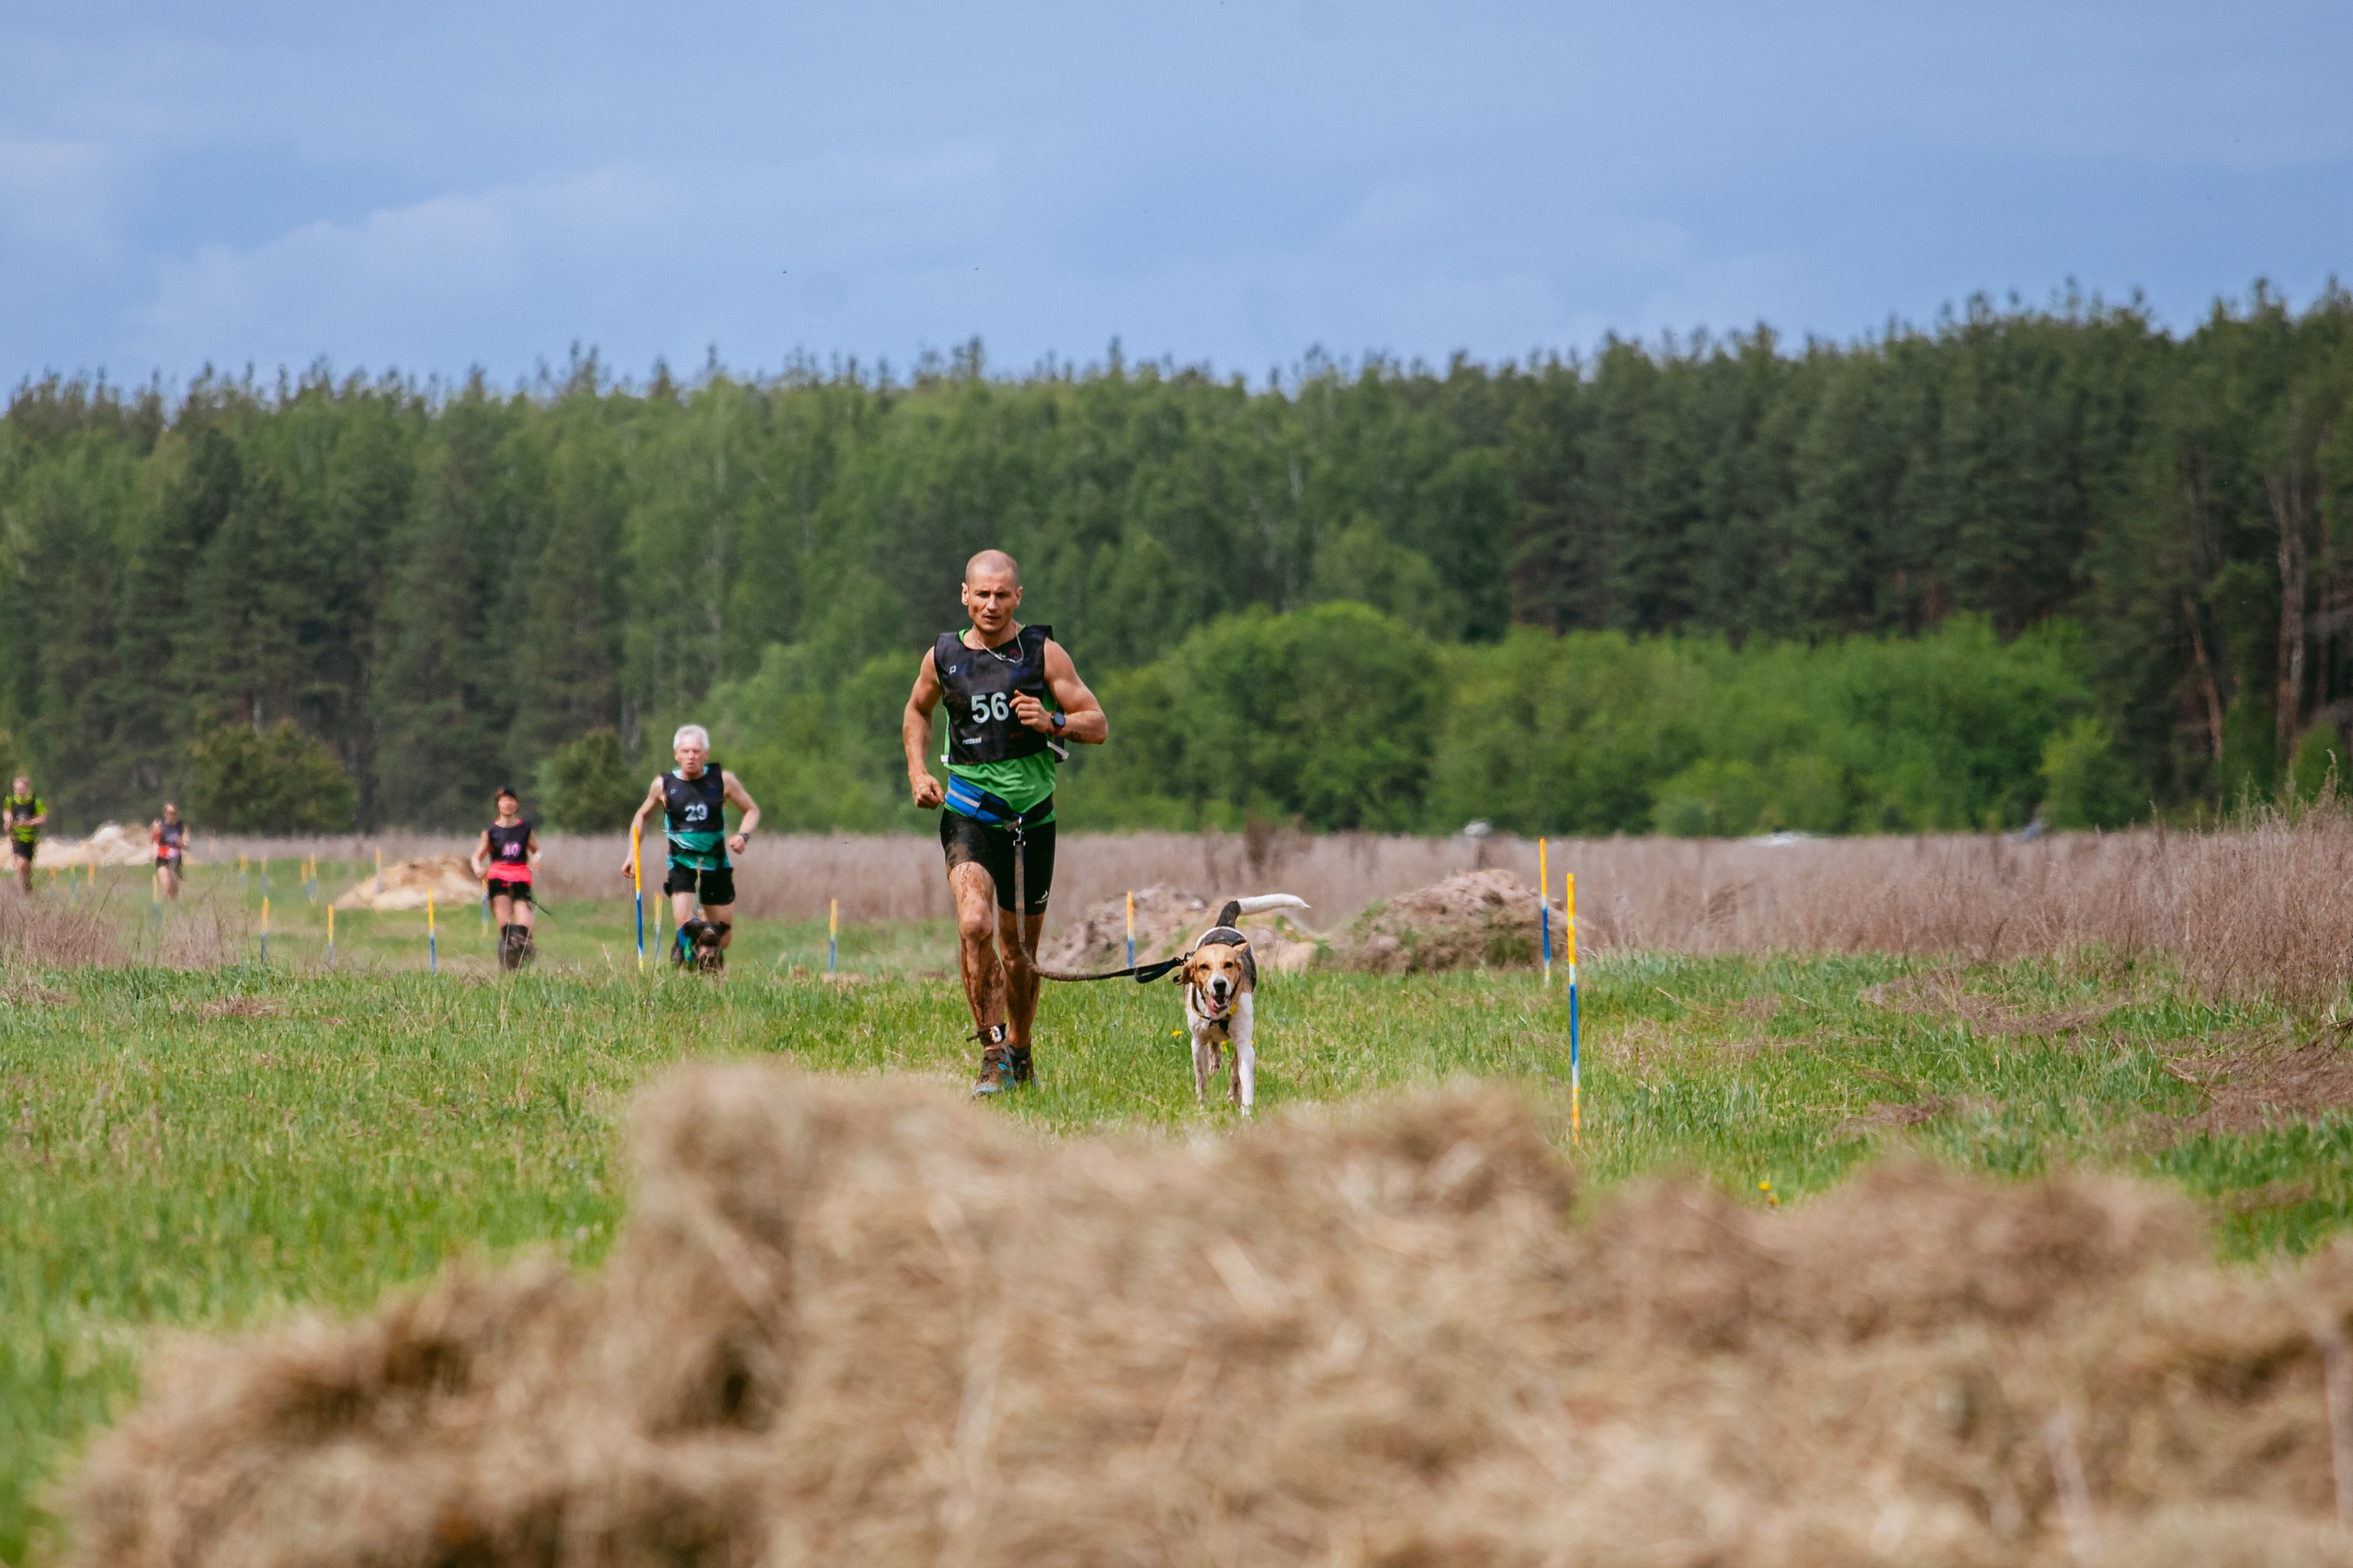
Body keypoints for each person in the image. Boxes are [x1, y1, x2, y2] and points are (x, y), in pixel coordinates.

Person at [902, 549, 1108, 1095]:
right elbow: (918, 710)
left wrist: (1053, 720)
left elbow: (1098, 723)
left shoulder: (1043, 655)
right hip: (969, 811)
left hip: (1031, 822)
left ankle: (1020, 1050)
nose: (991, 605)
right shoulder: (942, 656)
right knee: (974, 923)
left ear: (1018, 597)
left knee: (1018, 955)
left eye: (1002, 595)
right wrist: (917, 770)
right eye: (982, 594)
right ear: (964, 596)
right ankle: (992, 1050)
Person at [621, 725, 760, 972]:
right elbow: (641, 816)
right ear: (676, 754)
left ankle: (709, 951)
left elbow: (751, 810)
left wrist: (743, 835)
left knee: (723, 938)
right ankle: (689, 962)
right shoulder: (663, 784)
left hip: (715, 864)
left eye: (696, 751)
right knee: (686, 925)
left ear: (706, 754)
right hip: (681, 864)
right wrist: (632, 854)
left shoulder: (723, 780)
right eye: (685, 751)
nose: (691, 756)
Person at [470, 787, 540, 970]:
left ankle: (520, 961)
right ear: (498, 804)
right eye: (504, 800)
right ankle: (508, 964)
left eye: (511, 800)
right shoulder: (491, 831)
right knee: (507, 928)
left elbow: (536, 850)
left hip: (521, 879)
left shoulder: (525, 829)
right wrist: (478, 868)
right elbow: (477, 856)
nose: (508, 804)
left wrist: (536, 859)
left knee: (524, 927)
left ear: (516, 804)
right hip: (498, 879)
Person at [6, 776, 45, 894]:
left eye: (21, 789)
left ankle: (27, 884)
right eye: (16, 789)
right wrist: (8, 822)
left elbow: (42, 818)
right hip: (17, 837)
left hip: (31, 838)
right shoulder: (10, 800)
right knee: (20, 863)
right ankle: (17, 891)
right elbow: (7, 813)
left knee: (27, 866)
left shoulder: (35, 801)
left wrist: (27, 823)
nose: (18, 792)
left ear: (26, 788)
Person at [151, 802, 190, 900]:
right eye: (169, 813)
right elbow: (151, 841)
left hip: (176, 861)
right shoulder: (159, 826)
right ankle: (162, 909)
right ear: (165, 813)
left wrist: (182, 844)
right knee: (167, 887)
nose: (171, 815)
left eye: (174, 813)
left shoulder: (181, 827)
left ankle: (169, 908)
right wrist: (151, 852)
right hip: (163, 860)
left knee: (174, 892)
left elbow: (187, 845)